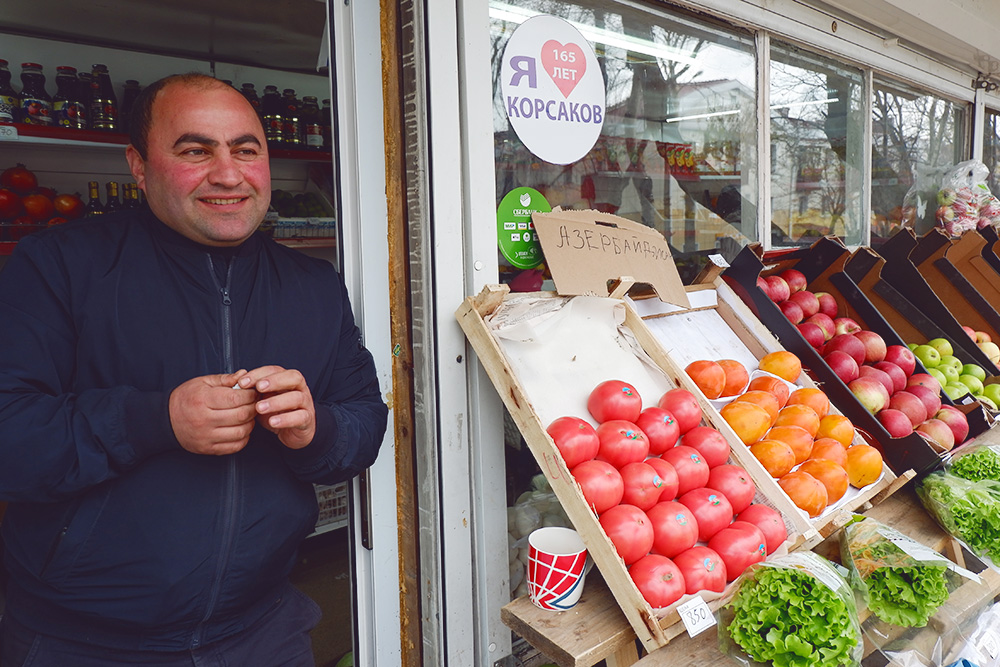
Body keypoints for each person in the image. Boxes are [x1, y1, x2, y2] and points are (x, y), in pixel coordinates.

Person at [0, 73, 388, 666]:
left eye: (246, 149)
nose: (228, 174)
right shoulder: (57, 267)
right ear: (138, 164)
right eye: (194, 150)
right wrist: (155, 421)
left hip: (265, 631)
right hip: (81, 642)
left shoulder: (312, 286)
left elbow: (365, 420)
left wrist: (317, 430)